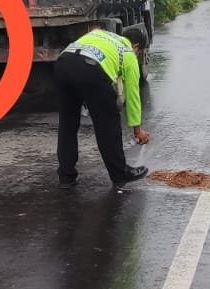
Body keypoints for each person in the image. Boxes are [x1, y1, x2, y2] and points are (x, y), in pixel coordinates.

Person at [55, 21, 150, 189]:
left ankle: (66, 176)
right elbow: (133, 95)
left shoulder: (102, 35)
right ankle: (119, 173)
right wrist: (137, 130)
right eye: (139, 52)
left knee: (68, 124)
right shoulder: (128, 53)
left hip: (63, 63)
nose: (137, 55)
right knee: (108, 123)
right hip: (91, 69)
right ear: (136, 46)